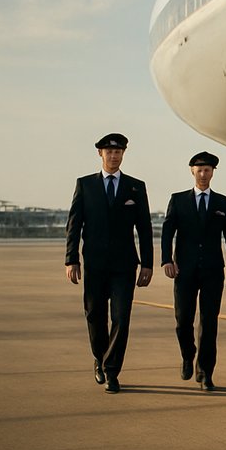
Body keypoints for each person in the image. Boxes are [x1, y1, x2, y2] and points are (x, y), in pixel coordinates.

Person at [64, 133, 153, 394]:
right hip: (94, 264)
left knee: (121, 319)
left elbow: (145, 228)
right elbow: (74, 225)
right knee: (95, 315)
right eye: (109, 152)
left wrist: (147, 263)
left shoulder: (135, 187)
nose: (114, 156)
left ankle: (112, 371)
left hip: (125, 266)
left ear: (123, 154)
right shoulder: (85, 185)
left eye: (119, 152)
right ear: (100, 154)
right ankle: (99, 358)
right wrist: (71, 259)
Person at [161, 152, 226, 392]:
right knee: (183, 320)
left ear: (213, 172)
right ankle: (188, 355)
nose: (203, 174)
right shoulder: (178, 200)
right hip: (184, 270)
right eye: (199, 170)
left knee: (209, 322)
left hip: (213, 271)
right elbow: (167, 233)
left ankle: (206, 372)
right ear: (192, 171)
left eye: (207, 170)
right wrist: (167, 260)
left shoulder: (222, 202)